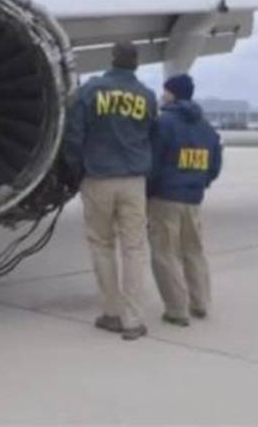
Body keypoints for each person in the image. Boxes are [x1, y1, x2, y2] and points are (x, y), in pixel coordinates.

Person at [64, 41, 159, 341]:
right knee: (134, 249)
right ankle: (133, 320)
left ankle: (111, 312)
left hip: (98, 178)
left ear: (112, 59)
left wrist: (75, 170)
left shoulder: (90, 91)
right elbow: (151, 136)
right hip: (133, 180)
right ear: (136, 64)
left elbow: (74, 136)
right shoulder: (147, 96)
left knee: (102, 245)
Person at [146, 74, 222, 327]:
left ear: (172, 93)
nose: (162, 95)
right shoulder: (206, 128)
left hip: (165, 197)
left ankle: (177, 310)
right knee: (193, 251)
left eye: (165, 90)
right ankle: (200, 303)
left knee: (164, 254)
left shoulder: (164, 123)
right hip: (193, 198)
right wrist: (199, 184)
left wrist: (148, 190)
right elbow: (214, 166)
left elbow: (153, 161)